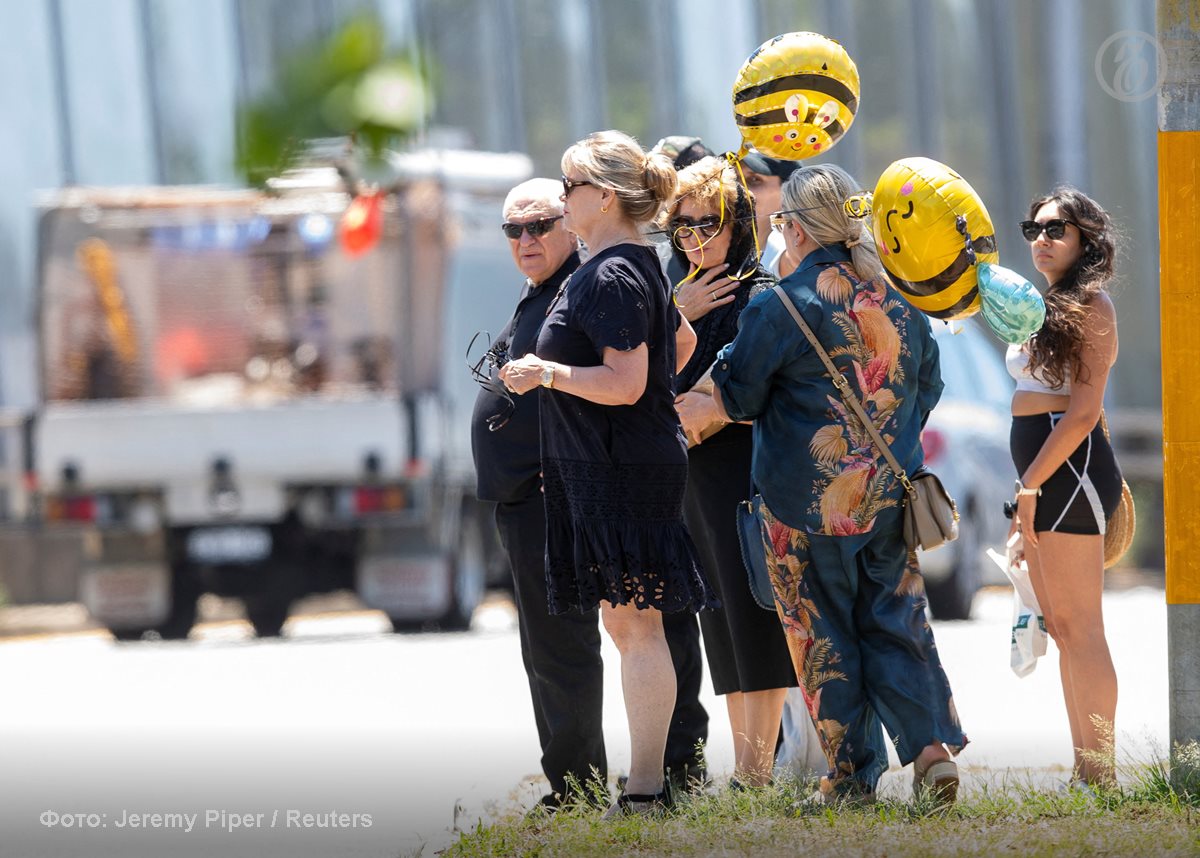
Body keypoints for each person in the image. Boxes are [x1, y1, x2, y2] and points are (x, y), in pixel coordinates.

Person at [711, 164, 967, 804]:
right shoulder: (900, 300)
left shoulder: (779, 303)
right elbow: (927, 388)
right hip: (886, 497)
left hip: (802, 505)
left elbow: (737, 396)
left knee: (821, 634)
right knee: (896, 619)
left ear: (792, 229)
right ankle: (932, 748)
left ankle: (851, 778)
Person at [470, 178, 710, 810]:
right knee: (572, 643)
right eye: (512, 230)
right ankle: (584, 784)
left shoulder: (602, 278)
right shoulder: (568, 286)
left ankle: (627, 782)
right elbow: (671, 346)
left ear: (583, 211)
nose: (526, 239)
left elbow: (654, 360)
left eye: (540, 223)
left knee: (620, 633)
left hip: (583, 485)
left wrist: (629, 418)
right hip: (540, 490)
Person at [657, 156, 796, 788]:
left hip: (746, 472)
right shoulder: (679, 290)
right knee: (718, 618)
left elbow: (771, 388)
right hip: (693, 477)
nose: (692, 239)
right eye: (679, 228)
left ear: (736, 219)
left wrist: (710, 412)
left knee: (752, 616)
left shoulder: (759, 289)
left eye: (705, 223)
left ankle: (753, 775)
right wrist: (673, 310)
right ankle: (746, 773)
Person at [1007, 186, 1122, 789]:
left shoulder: (1092, 306)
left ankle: (1101, 773)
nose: (1042, 240)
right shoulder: (1041, 303)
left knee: (1084, 627)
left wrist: (1028, 485)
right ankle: (1085, 771)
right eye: (1035, 229)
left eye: (1056, 230)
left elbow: (1081, 413)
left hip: (1070, 470)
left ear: (1085, 241)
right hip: (1045, 471)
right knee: (1061, 626)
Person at [739, 152, 800, 278]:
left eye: (754, 180)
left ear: (787, 191)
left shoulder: (786, 247)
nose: (738, 187)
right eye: (734, 178)